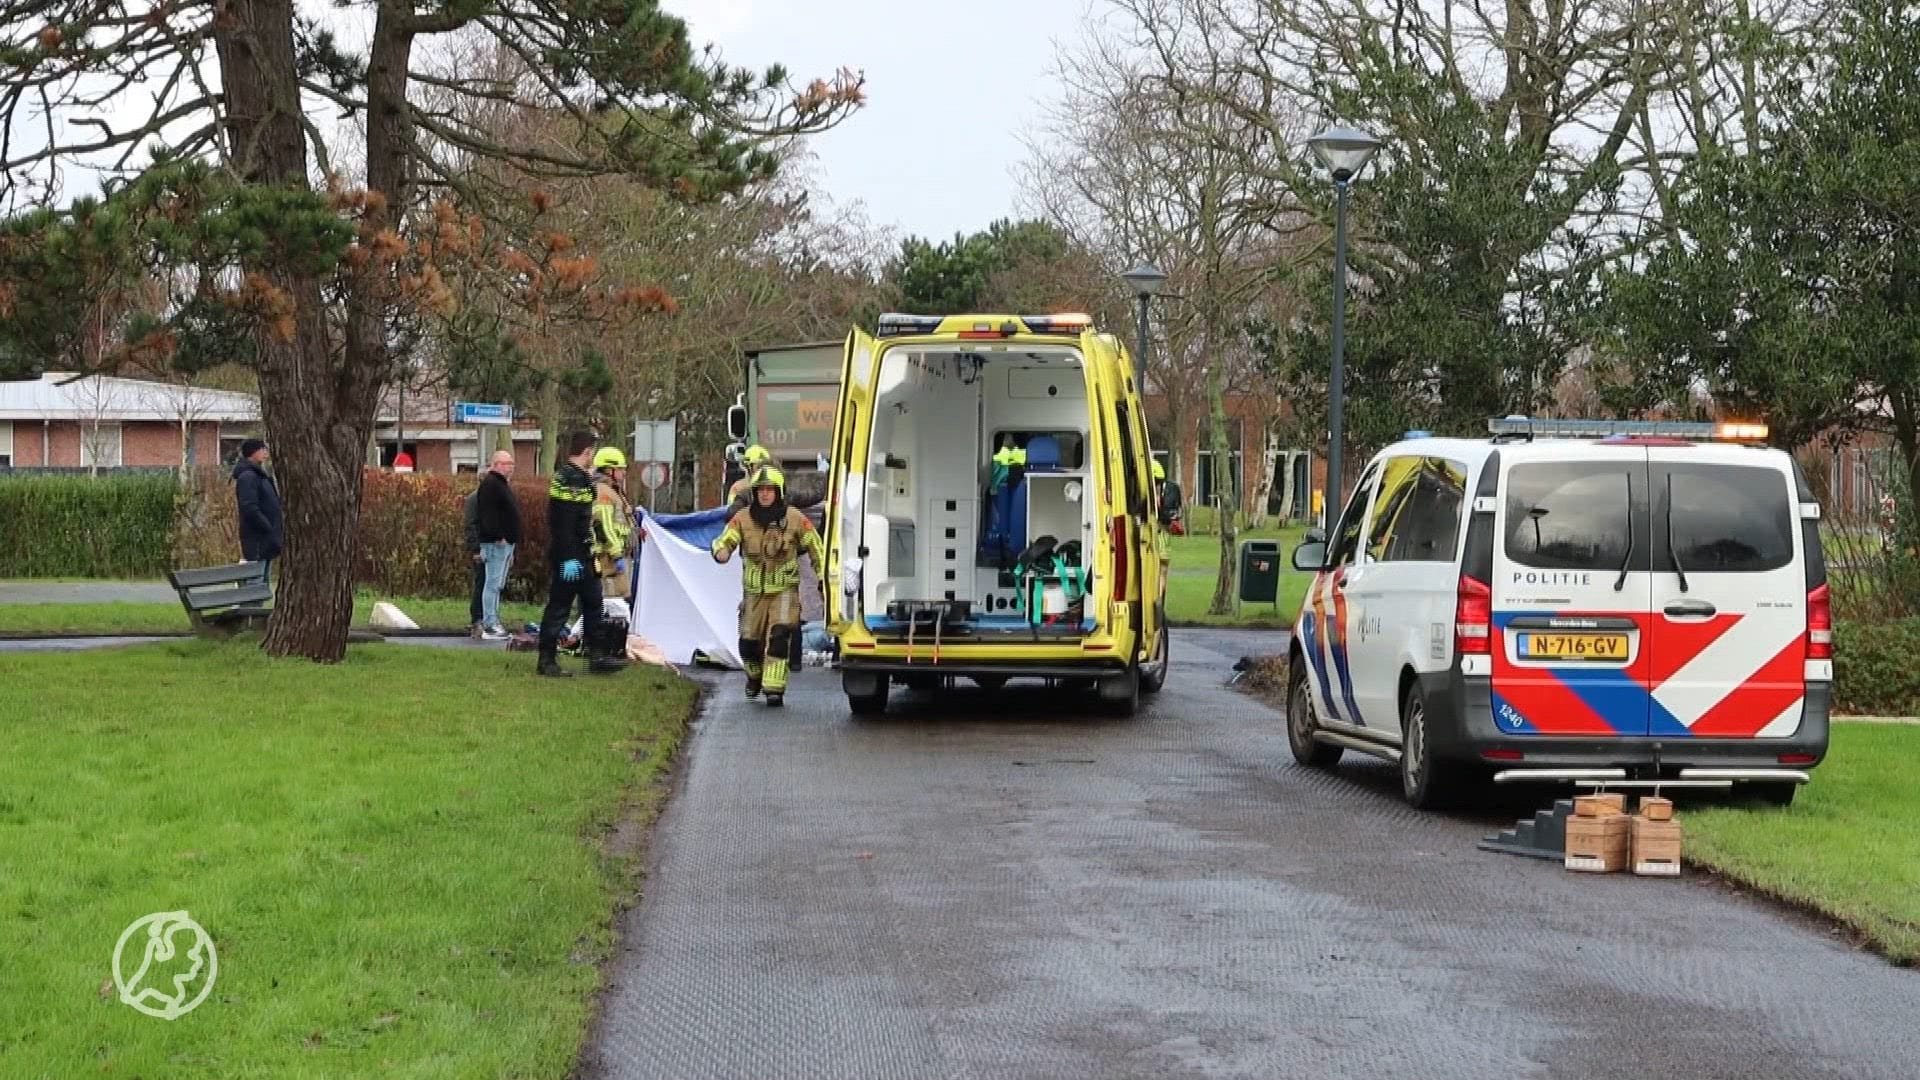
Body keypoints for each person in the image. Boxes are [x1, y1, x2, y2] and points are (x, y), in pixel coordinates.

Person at [711, 466, 825, 707]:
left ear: (779, 492)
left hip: (784, 590)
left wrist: (823, 577)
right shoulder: (742, 518)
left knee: (780, 635)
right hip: (754, 594)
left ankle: (774, 688)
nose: (764, 494)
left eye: (769, 490)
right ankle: (754, 676)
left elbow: (816, 547)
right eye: (760, 490)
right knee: (748, 643)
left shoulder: (794, 518)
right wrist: (721, 551)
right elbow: (726, 539)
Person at [538, 433, 621, 677]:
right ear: (586, 452)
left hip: (584, 554)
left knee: (594, 603)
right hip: (570, 557)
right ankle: (546, 660)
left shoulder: (579, 478)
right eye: (592, 453)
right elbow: (563, 525)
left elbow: (587, 521)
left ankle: (597, 656)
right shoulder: (568, 480)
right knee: (560, 607)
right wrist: (568, 559)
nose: (593, 458)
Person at [589, 446, 638, 650]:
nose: (623, 473)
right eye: (620, 469)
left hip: (616, 555)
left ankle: (614, 642)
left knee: (619, 600)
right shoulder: (604, 492)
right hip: (608, 558)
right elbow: (604, 525)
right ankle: (604, 644)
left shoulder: (613, 490)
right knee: (610, 601)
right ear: (609, 470)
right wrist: (617, 553)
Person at [475, 450, 522, 640]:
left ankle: (494, 620)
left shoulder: (500, 485)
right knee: (492, 584)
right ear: (496, 464)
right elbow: (488, 514)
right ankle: (489, 623)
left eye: (511, 463)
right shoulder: (491, 485)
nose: (511, 467)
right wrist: (498, 536)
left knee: (497, 584)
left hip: (505, 542)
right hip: (497, 543)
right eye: (507, 463)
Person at [231, 439, 283, 585]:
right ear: (253, 453)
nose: (265, 453)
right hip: (257, 539)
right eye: (262, 449)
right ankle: (251, 607)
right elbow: (249, 507)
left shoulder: (260, 476)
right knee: (255, 581)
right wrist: (266, 525)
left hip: (267, 540)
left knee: (263, 582)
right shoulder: (248, 477)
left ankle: (257, 607)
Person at [463, 483, 486, 635]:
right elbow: (470, 525)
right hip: (481, 547)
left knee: (489, 584)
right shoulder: (474, 499)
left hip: (491, 546)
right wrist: (476, 549)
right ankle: (477, 618)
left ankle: (486, 617)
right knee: (481, 582)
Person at [726, 444, 774, 508]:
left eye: (765, 465)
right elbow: (732, 512)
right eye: (758, 466)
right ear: (749, 467)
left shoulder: (778, 485)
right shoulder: (738, 488)